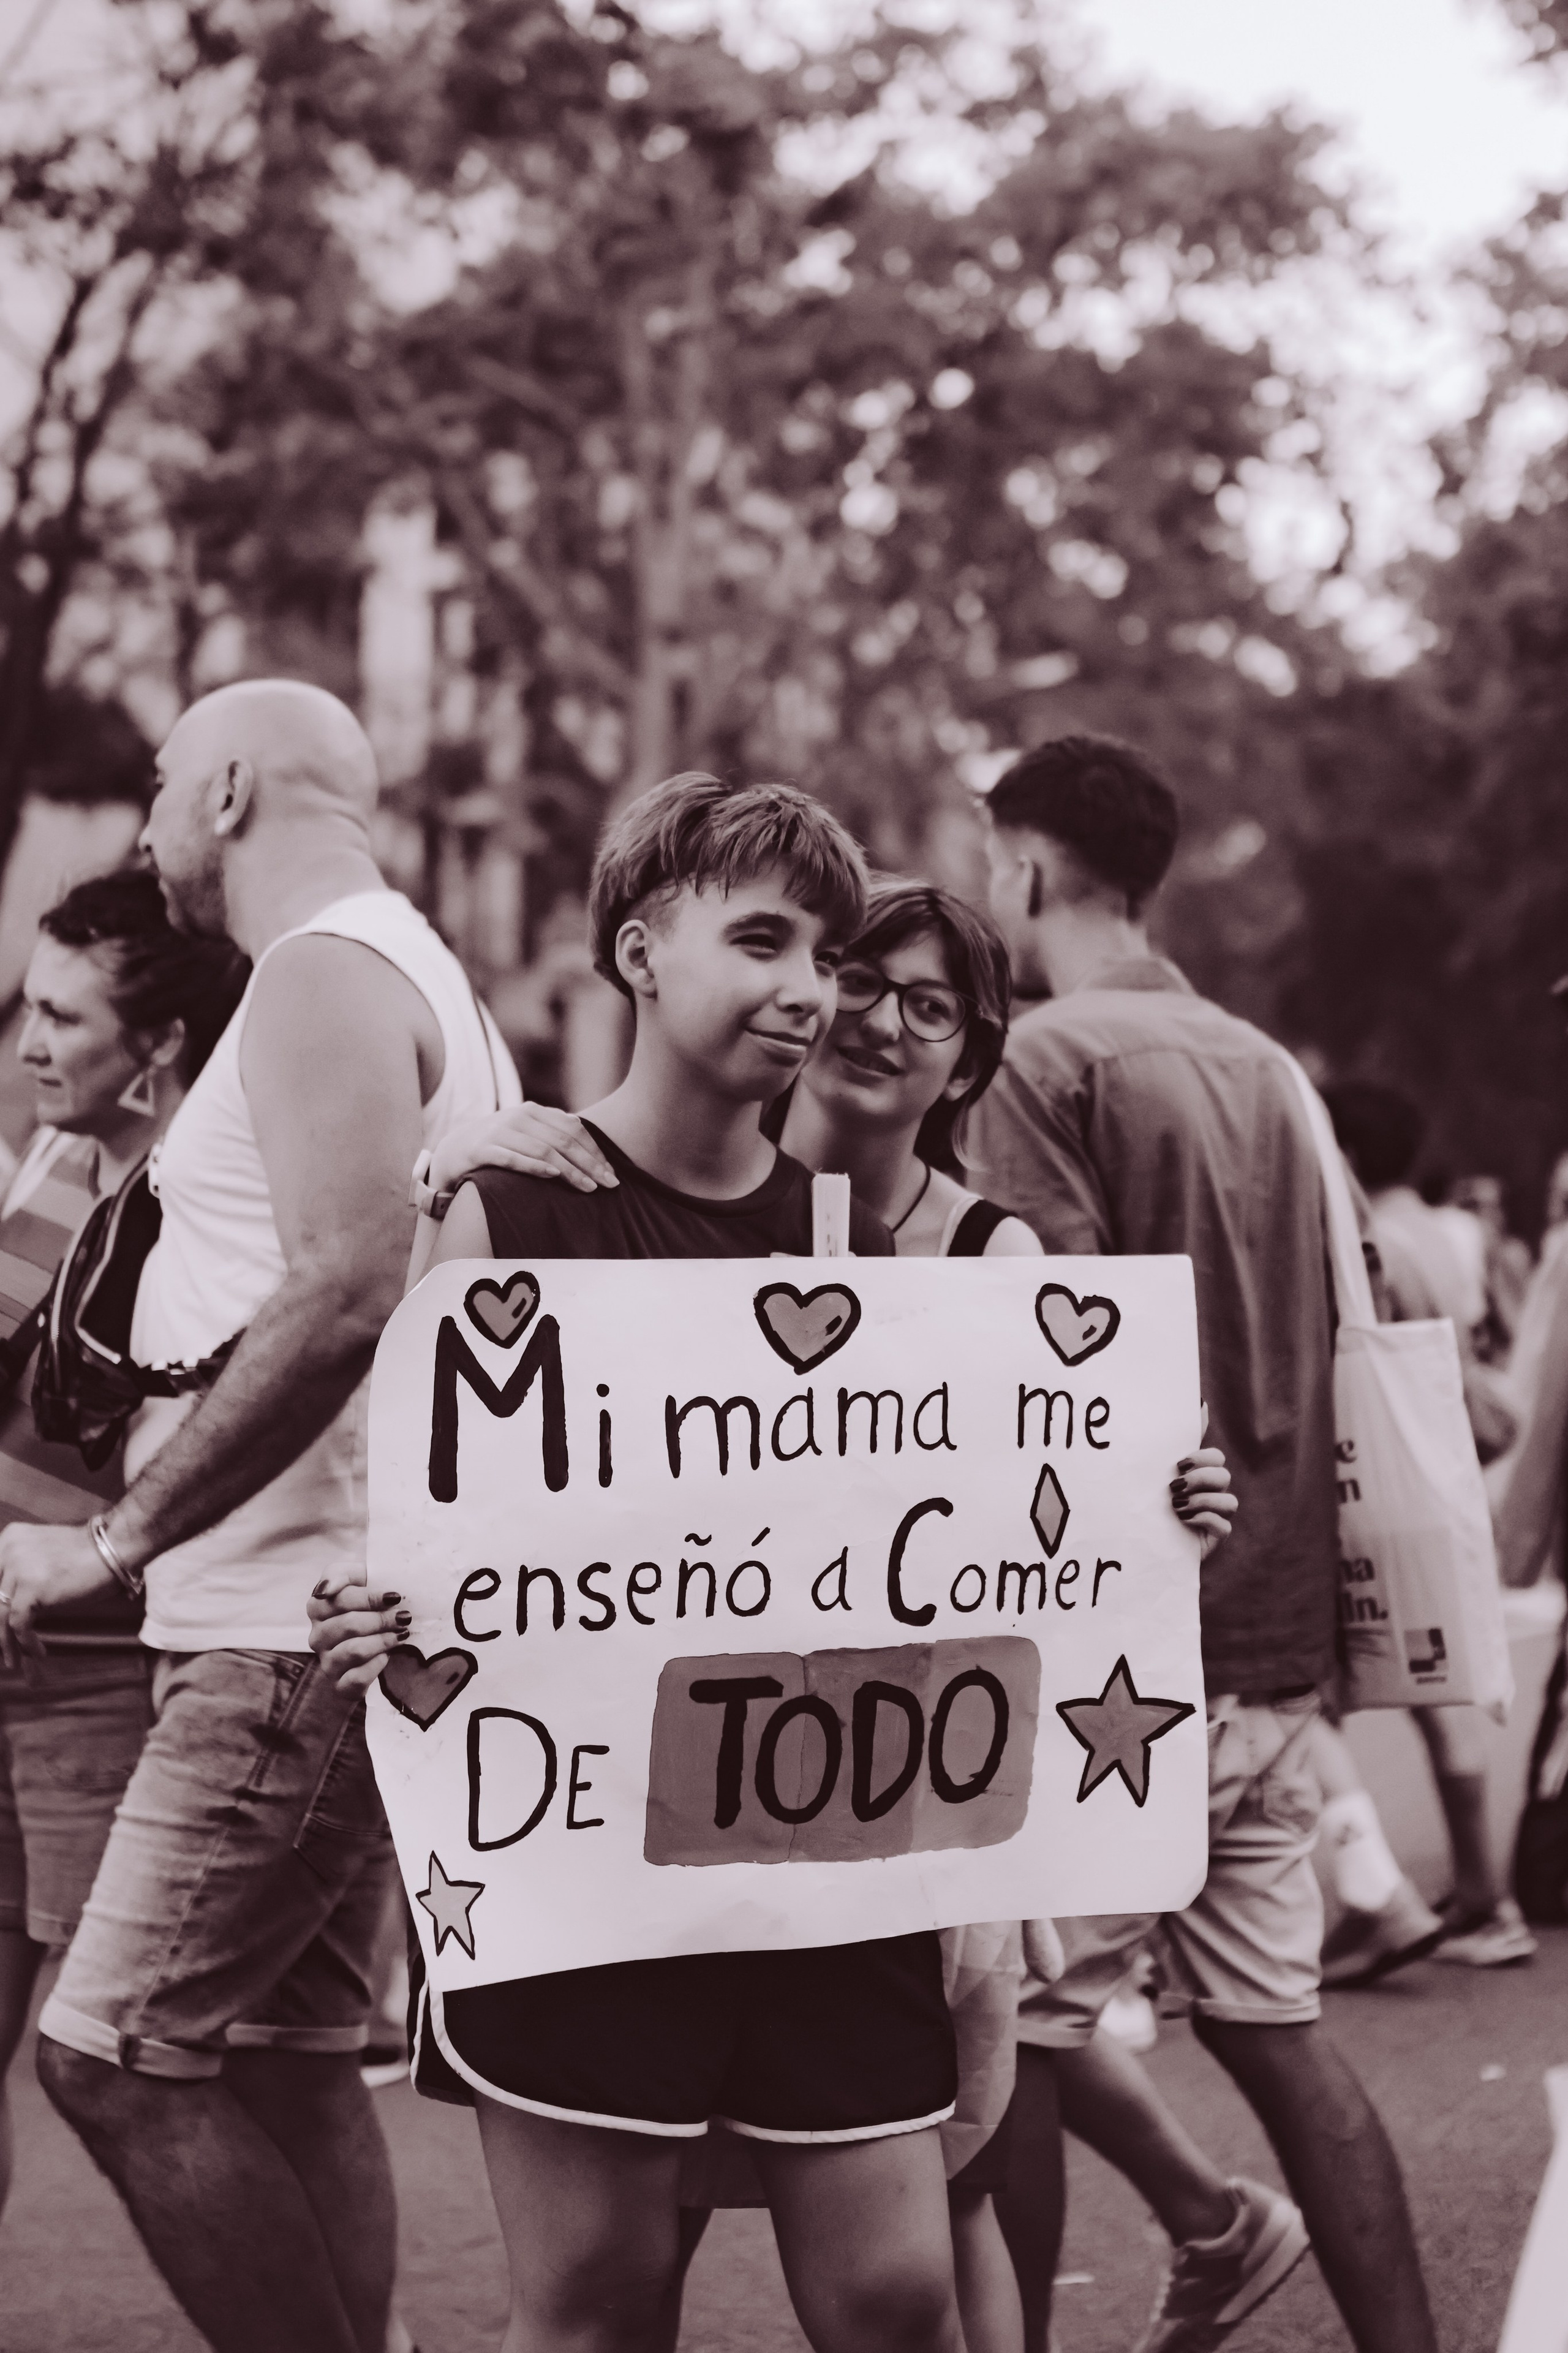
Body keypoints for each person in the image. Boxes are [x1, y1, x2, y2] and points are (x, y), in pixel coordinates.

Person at [372, 865, 1243, 2353]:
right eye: (836, 971)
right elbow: (440, 1497)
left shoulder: (957, 1257)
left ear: (969, 1053)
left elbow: (1017, 1551)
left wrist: (1150, 1522)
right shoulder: (540, 1194)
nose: (848, 1009)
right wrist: (467, 1173)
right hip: (606, 1843)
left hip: (849, 1844)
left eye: (916, 1000)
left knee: (901, 2262)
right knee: (606, 2279)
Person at [0, 678, 519, 2353]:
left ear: (226, 788)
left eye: (159, 786)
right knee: (293, 2068)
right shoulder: (417, 972)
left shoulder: (321, 973)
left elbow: (351, 1284)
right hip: (339, 1615)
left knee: (109, 2063)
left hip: (280, 1632)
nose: (147, 822)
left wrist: (112, 1539)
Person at [965, 734, 1436, 2353]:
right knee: (1278, 2025)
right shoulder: (1269, 1069)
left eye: (987, 864)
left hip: (1128, 1639)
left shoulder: (1041, 1061)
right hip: (1280, 1637)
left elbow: (1060, 1352)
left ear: (1024, 871)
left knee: (1018, 2037)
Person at [0, 869, 247, 2221]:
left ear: (157, 1044)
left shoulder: (204, 1206)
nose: (31, 1042)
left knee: (134, 2070)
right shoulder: (45, 1157)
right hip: (7, 1664)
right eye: (28, 1010)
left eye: (62, 1016)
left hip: (104, 1684)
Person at [1320, 1082, 1535, 1974]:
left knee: (1321, 1696)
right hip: (1444, 1472)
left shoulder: (1376, 1237)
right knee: (1445, 1682)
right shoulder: (1446, 1233)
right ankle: (1485, 1894)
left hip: (1389, 1480)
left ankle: (1415, 1896)